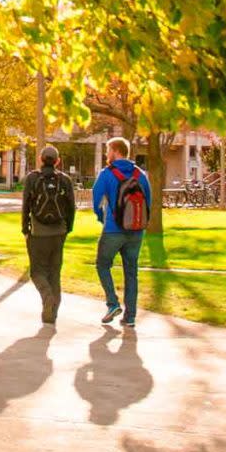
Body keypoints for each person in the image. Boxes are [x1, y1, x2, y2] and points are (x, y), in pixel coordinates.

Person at [92, 136, 153, 328]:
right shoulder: (140, 174)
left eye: (108, 150)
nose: (106, 154)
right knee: (131, 272)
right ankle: (130, 317)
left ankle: (112, 303)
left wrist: (102, 217)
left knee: (102, 264)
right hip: (136, 231)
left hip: (113, 230)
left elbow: (96, 198)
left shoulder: (107, 173)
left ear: (116, 151)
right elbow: (148, 201)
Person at [21, 144, 76, 324]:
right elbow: (71, 208)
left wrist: (25, 229)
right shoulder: (65, 180)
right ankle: (51, 315)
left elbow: (26, 206)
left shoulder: (32, 178)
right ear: (58, 161)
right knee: (54, 273)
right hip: (59, 232)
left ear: (40, 159)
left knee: (37, 272)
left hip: (38, 232)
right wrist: (68, 228)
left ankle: (47, 298)